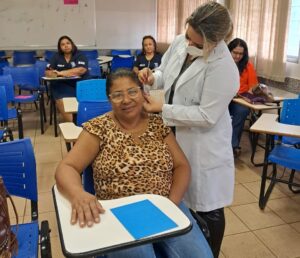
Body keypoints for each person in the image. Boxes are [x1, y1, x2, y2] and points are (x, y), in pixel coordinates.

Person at [55, 69, 213, 258]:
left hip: (164, 205)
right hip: (120, 211)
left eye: (132, 91)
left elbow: (182, 166)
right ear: (109, 99)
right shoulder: (99, 128)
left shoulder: (158, 124)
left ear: (142, 92)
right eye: (117, 95)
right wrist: (78, 194)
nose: (126, 100)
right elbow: (67, 167)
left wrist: (171, 204)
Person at [138, 2, 239, 257]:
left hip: (202, 145)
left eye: (196, 42)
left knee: (208, 208)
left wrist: (164, 109)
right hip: (172, 134)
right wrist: (152, 78)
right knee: (179, 200)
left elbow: (206, 115)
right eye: (187, 36)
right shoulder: (182, 41)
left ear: (215, 41)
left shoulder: (224, 68)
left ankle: (210, 253)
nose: (188, 44)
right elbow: (164, 72)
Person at [45, 35, 89, 122]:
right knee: (61, 99)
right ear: (60, 47)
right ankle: (72, 124)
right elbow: (48, 72)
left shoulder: (80, 55)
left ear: (72, 44)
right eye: (63, 44)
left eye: (68, 43)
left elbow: (81, 70)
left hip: (79, 84)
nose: (66, 46)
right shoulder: (56, 56)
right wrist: (52, 73)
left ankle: (82, 121)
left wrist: (61, 73)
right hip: (62, 85)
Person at [228, 38, 258, 157]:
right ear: (229, 51)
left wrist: (248, 95)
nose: (238, 56)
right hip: (224, 98)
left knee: (242, 111)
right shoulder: (222, 64)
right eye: (235, 52)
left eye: (241, 54)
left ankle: (232, 146)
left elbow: (253, 86)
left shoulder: (247, 66)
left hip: (239, 99)